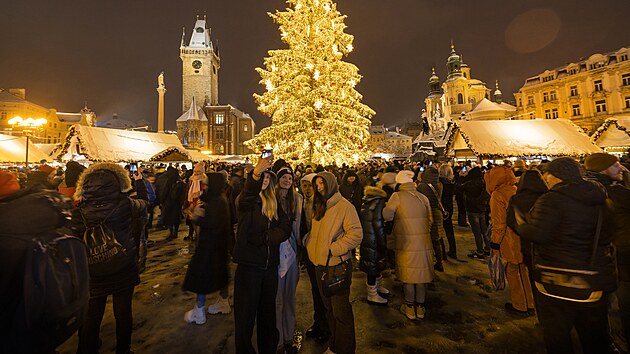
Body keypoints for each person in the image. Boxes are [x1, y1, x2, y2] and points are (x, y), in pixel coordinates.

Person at [513, 157, 617, 353]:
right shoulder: (599, 197)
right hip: (594, 278)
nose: (544, 179)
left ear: (554, 176)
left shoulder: (551, 200)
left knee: (557, 335)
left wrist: (521, 224)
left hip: (558, 279)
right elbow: (610, 231)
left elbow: (539, 234)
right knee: (596, 337)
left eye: (546, 175)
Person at [73, 163, 148, 354]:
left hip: (93, 267)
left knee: (93, 314)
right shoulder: (124, 204)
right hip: (122, 264)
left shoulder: (80, 210)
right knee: (123, 313)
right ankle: (123, 350)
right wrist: (139, 184)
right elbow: (144, 204)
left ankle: (87, 349)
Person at [232, 156, 292, 354]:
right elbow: (248, 194)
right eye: (262, 178)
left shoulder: (274, 203)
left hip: (269, 267)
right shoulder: (247, 201)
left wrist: (268, 237)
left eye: (268, 178)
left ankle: (268, 348)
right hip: (250, 267)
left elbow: (285, 228)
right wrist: (256, 174)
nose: (265, 181)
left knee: (267, 314)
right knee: (245, 316)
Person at [305, 171, 362, 354]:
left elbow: (356, 233)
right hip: (319, 264)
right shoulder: (319, 205)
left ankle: (344, 348)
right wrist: (309, 242)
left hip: (337, 265)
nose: (319, 187)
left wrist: (334, 248)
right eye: (317, 184)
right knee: (329, 310)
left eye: (322, 183)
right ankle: (335, 344)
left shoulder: (344, 206)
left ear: (331, 184)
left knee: (341, 312)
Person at [584, 153, 630, 343]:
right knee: (626, 301)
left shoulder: (589, 188)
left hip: (605, 254)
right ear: (603, 169)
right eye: (615, 165)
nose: (621, 168)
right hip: (622, 254)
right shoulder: (614, 192)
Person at [383, 170, 434, 321]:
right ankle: (420, 307)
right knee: (420, 277)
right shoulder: (422, 197)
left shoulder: (397, 196)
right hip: (423, 243)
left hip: (405, 243)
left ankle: (410, 308)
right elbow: (430, 220)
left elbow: (387, 215)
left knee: (409, 277)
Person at [182, 172, 232, 325]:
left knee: (202, 277)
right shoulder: (219, 198)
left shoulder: (217, 201)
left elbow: (211, 223)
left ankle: (199, 311)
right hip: (219, 246)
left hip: (209, 247)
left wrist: (195, 217)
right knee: (220, 274)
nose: (205, 187)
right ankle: (223, 302)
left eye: (207, 184)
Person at [485, 165, 534, 315]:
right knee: (523, 270)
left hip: (510, 239)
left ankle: (519, 305)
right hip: (523, 237)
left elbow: (499, 224)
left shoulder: (498, 195)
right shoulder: (516, 189)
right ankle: (530, 303)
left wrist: (494, 244)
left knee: (512, 271)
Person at [506, 169, 548, 319]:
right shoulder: (548, 197)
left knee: (533, 279)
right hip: (548, 248)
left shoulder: (517, 199)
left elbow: (511, 222)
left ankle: (540, 314)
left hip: (527, 247)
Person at [299, 173, 331, 342]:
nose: (308, 189)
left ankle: (326, 325)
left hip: (322, 253)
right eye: (304, 186)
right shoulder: (300, 202)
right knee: (315, 289)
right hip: (309, 253)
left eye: (310, 185)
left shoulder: (323, 203)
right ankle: (318, 322)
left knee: (323, 290)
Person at [274, 166, 303, 354]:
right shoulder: (270, 198)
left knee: (289, 296)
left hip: (292, 249)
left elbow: (302, 225)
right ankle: (276, 339)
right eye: (283, 177)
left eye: (289, 178)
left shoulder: (297, 199)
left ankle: (288, 336)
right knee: (277, 298)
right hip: (276, 251)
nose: (286, 180)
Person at [359, 185, 389, 305]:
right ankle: (372, 294)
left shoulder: (367, 201)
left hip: (367, 238)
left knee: (374, 265)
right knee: (373, 267)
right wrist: (383, 242)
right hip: (374, 239)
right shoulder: (379, 203)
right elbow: (378, 225)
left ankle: (377, 287)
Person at [417, 167, 446, 271]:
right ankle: (440, 261)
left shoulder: (422, 187)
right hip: (438, 213)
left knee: (428, 239)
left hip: (427, 213)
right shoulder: (439, 185)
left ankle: (430, 262)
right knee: (437, 239)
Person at [459, 166, 490, 259]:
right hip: (482, 209)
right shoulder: (483, 182)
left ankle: (480, 251)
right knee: (484, 230)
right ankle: (488, 248)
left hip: (472, 209)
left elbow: (459, 187)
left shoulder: (470, 183)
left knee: (477, 231)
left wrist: (462, 177)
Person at [183, 162, 208, 241]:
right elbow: (188, 192)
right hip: (191, 203)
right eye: (195, 171)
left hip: (199, 204)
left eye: (198, 171)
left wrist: (198, 195)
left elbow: (204, 192)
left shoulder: (204, 181)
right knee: (191, 220)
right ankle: (191, 234)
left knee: (198, 221)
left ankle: (198, 237)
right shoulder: (191, 181)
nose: (196, 173)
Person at [439, 164, 457, 259]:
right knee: (449, 231)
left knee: (439, 231)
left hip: (441, 208)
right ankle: (453, 251)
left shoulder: (440, 183)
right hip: (449, 208)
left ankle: (442, 253)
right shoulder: (451, 183)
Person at [162, 166, 186, 240]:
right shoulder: (181, 181)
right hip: (177, 203)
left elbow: (165, 192)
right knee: (176, 218)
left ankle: (171, 232)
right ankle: (175, 232)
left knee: (169, 217)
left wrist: (162, 200)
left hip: (169, 202)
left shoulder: (169, 181)